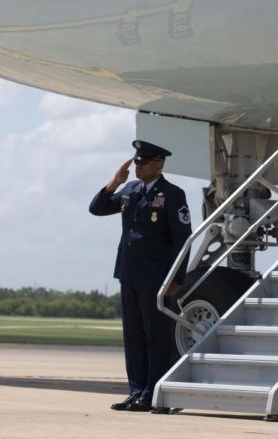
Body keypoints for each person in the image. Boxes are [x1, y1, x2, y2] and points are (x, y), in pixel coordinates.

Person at [89, 140, 191, 414]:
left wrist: (176, 278)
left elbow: (182, 239)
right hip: (129, 273)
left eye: (143, 162)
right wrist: (114, 183)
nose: (138, 166)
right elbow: (97, 209)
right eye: (136, 161)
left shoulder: (172, 194)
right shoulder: (130, 190)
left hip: (157, 277)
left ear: (159, 164)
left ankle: (153, 391)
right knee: (133, 336)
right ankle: (136, 391)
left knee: (156, 336)